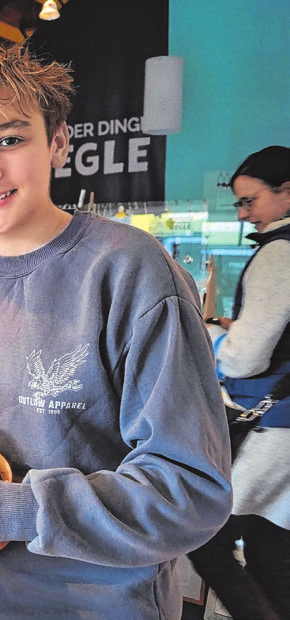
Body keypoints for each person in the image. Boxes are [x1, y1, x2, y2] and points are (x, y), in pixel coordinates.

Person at [0, 41, 232, 619]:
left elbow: (190, 490)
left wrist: (13, 509)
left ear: (57, 142)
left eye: (10, 139)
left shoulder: (128, 270)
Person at [188, 145, 290, 620]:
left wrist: (209, 334)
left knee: (202, 535)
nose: (246, 215)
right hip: (282, 425)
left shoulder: (278, 253)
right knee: (272, 552)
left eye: (251, 202)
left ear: (286, 192)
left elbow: (247, 359)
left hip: (271, 429)